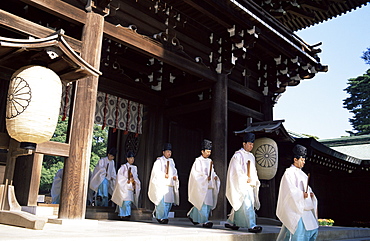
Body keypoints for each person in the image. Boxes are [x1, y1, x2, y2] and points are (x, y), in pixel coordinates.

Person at [276, 144, 319, 241]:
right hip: (296, 208)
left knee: (313, 229)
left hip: (305, 207)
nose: (304, 162)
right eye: (302, 160)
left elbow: (308, 189)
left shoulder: (303, 174)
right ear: (295, 159)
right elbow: (289, 190)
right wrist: (300, 194)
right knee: (298, 232)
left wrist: (311, 195)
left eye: (304, 160)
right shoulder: (289, 172)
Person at [224, 132, 262, 233]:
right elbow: (235, 171)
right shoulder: (238, 156)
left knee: (242, 203)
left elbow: (254, 171)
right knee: (246, 203)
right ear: (244, 144)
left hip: (249, 184)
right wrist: (245, 178)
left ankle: (233, 222)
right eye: (249, 144)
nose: (251, 146)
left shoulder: (252, 156)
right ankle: (251, 225)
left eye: (252, 144)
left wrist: (254, 179)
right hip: (242, 184)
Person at [187, 139, 220, 228]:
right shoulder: (198, 161)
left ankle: (193, 216)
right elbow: (196, 173)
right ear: (202, 151)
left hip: (209, 185)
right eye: (207, 151)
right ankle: (205, 221)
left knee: (207, 203)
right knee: (202, 202)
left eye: (210, 152)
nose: (209, 153)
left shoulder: (210, 161)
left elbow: (212, 172)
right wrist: (205, 178)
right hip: (202, 185)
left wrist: (215, 177)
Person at [148, 143, 179, 224]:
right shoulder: (159, 161)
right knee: (162, 202)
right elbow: (156, 172)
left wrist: (175, 176)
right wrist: (163, 175)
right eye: (167, 151)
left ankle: (164, 216)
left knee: (169, 202)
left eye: (170, 152)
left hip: (169, 184)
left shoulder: (171, 161)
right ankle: (160, 217)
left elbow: (174, 171)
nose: (169, 153)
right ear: (163, 152)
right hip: (162, 184)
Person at [112, 151, 141, 220]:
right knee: (123, 201)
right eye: (130, 158)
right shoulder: (123, 167)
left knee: (128, 201)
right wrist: (126, 180)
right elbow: (119, 177)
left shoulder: (134, 168)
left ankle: (127, 214)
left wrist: (135, 182)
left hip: (130, 187)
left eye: (133, 158)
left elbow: (136, 177)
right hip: (124, 186)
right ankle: (122, 214)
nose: (132, 159)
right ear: (127, 159)